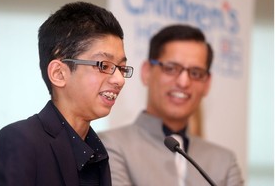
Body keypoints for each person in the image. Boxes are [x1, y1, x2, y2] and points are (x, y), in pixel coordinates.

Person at [0, 1, 134, 186]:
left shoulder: (96, 151)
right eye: (104, 66)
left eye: (121, 68)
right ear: (59, 73)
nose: (119, 80)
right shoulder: (19, 142)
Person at [99, 24, 243, 186]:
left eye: (195, 73)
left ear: (207, 84)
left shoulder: (224, 162)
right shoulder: (108, 146)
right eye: (171, 68)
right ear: (146, 72)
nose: (183, 82)